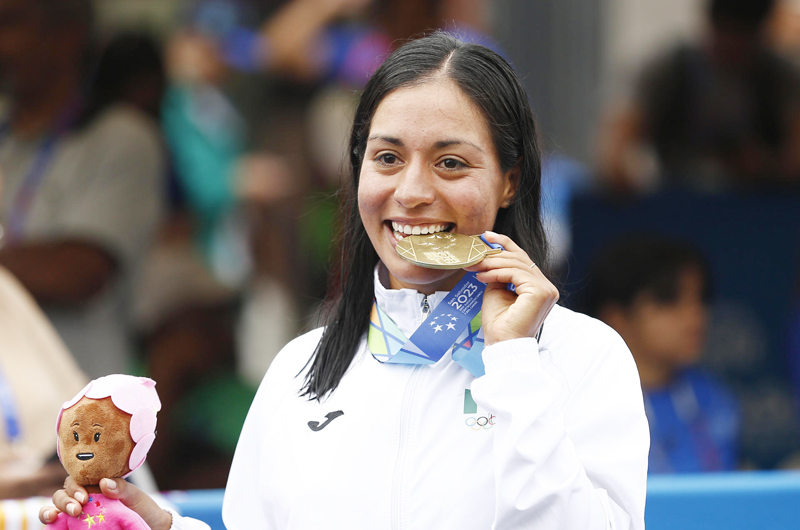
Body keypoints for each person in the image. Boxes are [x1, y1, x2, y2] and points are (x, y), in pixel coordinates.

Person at [41, 32, 649, 529]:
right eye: (386, 158)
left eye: (451, 162)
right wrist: (157, 528)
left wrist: (514, 360)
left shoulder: (581, 357)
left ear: (510, 181)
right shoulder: (299, 368)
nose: (411, 192)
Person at [0, 0, 165, 378]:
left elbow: (78, 272)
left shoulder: (123, 138)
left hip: (82, 404)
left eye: (9, 24)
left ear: (68, 35)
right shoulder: (6, 140)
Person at [599, 0, 800, 193]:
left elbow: (794, 159)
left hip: (760, 208)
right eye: (727, 33)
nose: (734, 48)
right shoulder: (670, 69)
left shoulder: (779, 76)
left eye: (744, 38)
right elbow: (615, 150)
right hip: (677, 205)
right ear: (711, 25)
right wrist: (623, 176)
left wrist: (766, 167)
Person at [584, 235, 740, 473]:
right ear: (615, 317)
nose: (696, 317)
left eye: (700, 299)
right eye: (669, 300)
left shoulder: (715, 400)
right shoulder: (584, 406)